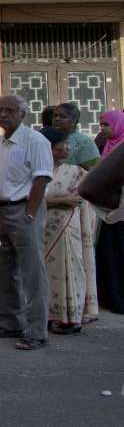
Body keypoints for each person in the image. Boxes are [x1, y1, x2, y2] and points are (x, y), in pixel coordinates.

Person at [0, 94, 53, 351]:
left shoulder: (35, 140)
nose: (3, 115)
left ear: (22, 114)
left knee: (31, 272)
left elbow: (41, 179)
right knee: (3, 270)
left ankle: (37, 331)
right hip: (0, 210)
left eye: (9, 110)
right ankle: (10, 323)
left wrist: (29, 214)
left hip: (24, 209)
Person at [51, 102, 100, 324]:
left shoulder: (84, 143)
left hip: (76, 207)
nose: (57, 119)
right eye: (55, 116)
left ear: (74, 121)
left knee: (78, 258)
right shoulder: (47, 140)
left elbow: (94, 176)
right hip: (52, 207)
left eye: (62, 116)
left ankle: (80, 307)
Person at [37, 127, 89, 335]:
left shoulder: (75, 172)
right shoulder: (37, 170)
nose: (68, 147)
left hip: (67, 229)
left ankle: (71, 318)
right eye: (63, 143)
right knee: (44, 272)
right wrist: (60, 201)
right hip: (41, 228)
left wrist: (51, 202)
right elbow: (26, 198)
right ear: (50, 147)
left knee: (70, 268)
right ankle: (49, 314)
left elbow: (77, 199)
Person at [94, 110, 124, 313]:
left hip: (121, 210)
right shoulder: (104, 146)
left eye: (107, 124)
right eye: (101, 124)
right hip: (106, 211)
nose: (103, 128)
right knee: (108, 255)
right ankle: (109, 298)